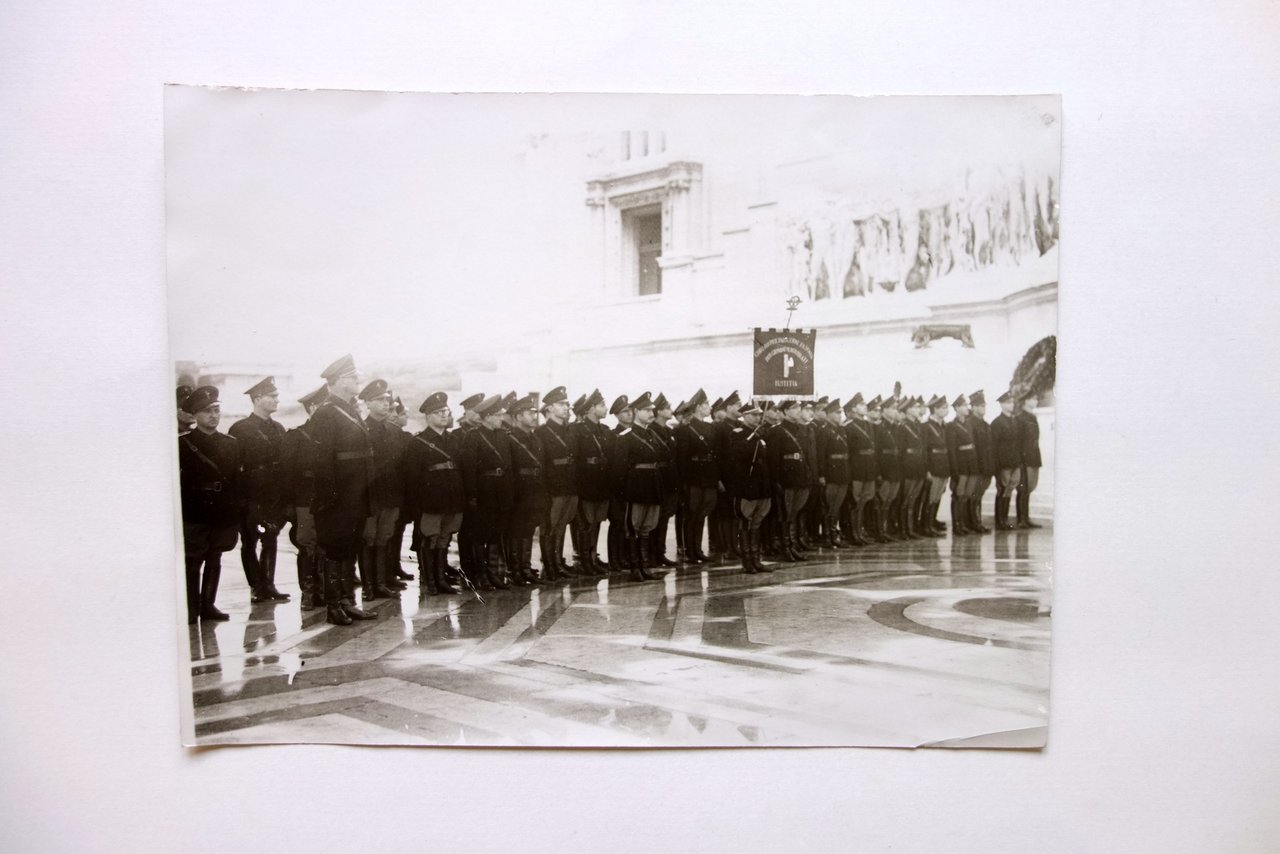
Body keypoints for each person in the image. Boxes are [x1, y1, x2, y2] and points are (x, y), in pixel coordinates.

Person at [310, 354, 378, 625]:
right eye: (353, 378)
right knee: (335, 551)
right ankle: (333, 605)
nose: (358, 381)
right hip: (339, 499)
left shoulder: (348, 409)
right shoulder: (326, 412)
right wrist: (331, 499)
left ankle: (348, 602)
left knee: (350, 549)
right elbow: (322, 461)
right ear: (337, 381)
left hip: (355, 495)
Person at [178, 386, 239, 624]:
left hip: (221, 510)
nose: (213, 415)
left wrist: (235, 514)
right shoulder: (183, 444)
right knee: (193, 560)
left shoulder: (231, 444)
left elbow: (235, 481)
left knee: (215, 558)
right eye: (206, 411)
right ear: (195, 415)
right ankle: (192, 608)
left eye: (216, 410)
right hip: (195, 511)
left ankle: (208, 605)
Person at [228, 376, 290, 603]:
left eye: (276, 396)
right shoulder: (240, 429)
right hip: (250, 494)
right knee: (250, 540)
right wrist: (240, 498)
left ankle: (269, 585)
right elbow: (233, 467)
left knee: (271, 537)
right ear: (257, 398)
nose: (277, 400)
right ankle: (256, 586)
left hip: (273, 495)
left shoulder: (279, 428)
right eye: (272, 397)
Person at [402, 392, 462, 597]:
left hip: (451, 499)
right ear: (428, 416)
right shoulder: (418, 442)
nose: (444, 416)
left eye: (446, 411)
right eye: (438, 412)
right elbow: (411, 478)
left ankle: (441, 579)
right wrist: (416, 506)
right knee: (430, 539)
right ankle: (429, 582)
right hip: (430, 501)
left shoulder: (452, 440)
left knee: (445, 539)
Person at [279, 384, 327, 609]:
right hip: (304, 499)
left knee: (327, 545)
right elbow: (286, 474)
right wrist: (288, 505)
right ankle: (309, 592)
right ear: (312, 407)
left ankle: (325, 591)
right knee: (308, 545)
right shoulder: (296, 436)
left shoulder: (334, 436)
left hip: (329, 498)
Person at [460, 395, 514, 590]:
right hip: (484, 493)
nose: (501, 418)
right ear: (488, 416)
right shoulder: (473, 436)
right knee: (479, 536)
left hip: (501, 492)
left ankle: (492, 574)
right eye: (498, 415)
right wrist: (472, 496)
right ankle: (480, 575)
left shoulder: (502, 435)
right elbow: (468, 469)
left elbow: (508, 466)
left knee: (495, 535)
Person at [358, 378, 405, 600]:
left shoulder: (394, 431)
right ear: (367, 403)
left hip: (390, 494)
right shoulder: (362, 429)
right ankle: (368, 586)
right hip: (370, 496)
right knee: (368, 539)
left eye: (387, 400)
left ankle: (380, 583)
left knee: (383, 538)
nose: (385, 404)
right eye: (379, 400)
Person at [610, 392, 664, 581]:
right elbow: (618, 469)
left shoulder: (652, 434)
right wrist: (624, 494)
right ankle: (635, 567)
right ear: (635, 412)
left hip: (652, 486)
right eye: (646, 410)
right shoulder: (626, 437)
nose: (651, 413)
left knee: (647, 527)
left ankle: (644, 565)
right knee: (633, 527)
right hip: (636, 488)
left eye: (652, 409)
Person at [535, 385, 579, 579]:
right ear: (550, 408)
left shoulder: (568, 431)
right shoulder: (541, 433)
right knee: (549, 527)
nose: (566, 408)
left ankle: (557, 563)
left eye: (567, 404)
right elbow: (542, 464)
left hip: (569, 484)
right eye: (561, 404)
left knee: (561, 526)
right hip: (553, 487)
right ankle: (549, 565)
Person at [675, 388, 720, 564]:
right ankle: (690, 550)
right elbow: (682, 459)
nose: (709, 407)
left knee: (702, 514)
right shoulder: (686, 430)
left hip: (708, 476)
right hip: (694, 477)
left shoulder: (710, 428)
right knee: (692, 514)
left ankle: (698, 549)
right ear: (698, 407)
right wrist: (684, 482)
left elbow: (715, 454)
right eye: (707, 404)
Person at [507, 394, 548, 585]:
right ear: (517, 416)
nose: (534, 416)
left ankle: (525, 567)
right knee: (516, 532)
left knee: (529, 530)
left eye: (535, 412)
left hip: (535, 490)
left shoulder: (537, 439)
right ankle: (515, 569)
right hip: (519, 492)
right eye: (529, 413)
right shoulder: (511, 439)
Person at [572, 389, 613, 575]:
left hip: (602, 482)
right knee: (586, 523)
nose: (605, 408)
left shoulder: (605, 430)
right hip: (587, 483)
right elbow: (576, 459)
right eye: (602, 405)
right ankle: (584, 560)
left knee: (596, 522)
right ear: (590, 408)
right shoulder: (578, 430)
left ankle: (593, 556)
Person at [728, 402, 772, 573]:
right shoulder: (737, 433)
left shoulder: (760, 436)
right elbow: (739, 452)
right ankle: (747, 560)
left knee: (757, 522)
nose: (758, 418)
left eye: (759, 415)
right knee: (746, 522)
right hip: (747, 485)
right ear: (745, 416)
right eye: (754, 415)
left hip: (761, 484)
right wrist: (753, 436)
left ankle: (756, 558)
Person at [768, 399, 811, 561]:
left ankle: (791, 545)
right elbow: (773, 459)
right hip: (786, 479)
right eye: (794, 408)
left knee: (794, 513)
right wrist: (776, 481)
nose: (798, 410)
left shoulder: (800, 429)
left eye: (799, 408)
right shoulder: (777, 431)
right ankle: (785, 547)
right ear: (785, 412)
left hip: (800, 477)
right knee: (785, 515)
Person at [386, 397, 416, 583]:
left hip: (401, 492)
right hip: (393, 492)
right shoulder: (396, 436)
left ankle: (394, 566)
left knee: (397, 532)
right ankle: (388, 570)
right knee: (389, 534)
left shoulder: (404, 436)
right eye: (400, 413)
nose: (403, 417)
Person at [816, 398, 852, 548]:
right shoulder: (824, 431)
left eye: (841, 413)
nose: (840, 416)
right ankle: (827, 536)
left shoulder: (841, 429)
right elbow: (821, 454)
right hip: (831, 473)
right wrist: (822, 474)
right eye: (837, 413)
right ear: (829, 414)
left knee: (837, 506)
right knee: (829, 506)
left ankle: (833, 534)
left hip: (842, 471)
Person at [648, 393, 679, 567]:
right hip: (658, 478)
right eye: (667, 408)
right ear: (659, 411)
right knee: (655, 519)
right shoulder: (651, 430)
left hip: (670, 479)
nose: (671, 410)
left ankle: (660, 552)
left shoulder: (669, 431)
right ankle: (652, 553)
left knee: (665, 517)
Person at [844, 393, 878, 546]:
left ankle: (859, 531)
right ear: (854, 408)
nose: (865, 407)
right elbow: (849, 452)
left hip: (868, 468)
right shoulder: (848, 427)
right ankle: (853, 534)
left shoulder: (869, 425)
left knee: (865, 500)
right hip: (857, 469)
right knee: (855, 502)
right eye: (861, 405)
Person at [606, 395, 634, 572]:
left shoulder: (634, 433)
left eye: (631, 411)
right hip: (618, 486)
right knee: (617, 523)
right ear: (617, 415)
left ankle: (624, 557)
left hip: (632, 485)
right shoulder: (613, 435)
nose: (629, 414)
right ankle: (614, 559)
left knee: (629, 523)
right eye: (625, 412)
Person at [946, 393, 980, 536]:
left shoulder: (969, 423)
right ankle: (957, 525)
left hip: (971, 464)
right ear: (957, 408)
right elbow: (952, 450)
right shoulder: (952, 426)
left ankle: (964, 523)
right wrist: (955, 470)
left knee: (967, 495)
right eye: (964, 405)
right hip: (961, 465)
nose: (967, 408)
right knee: (958, 495)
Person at [990, 390, 1023, 530]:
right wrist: (997, 466)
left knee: (1010, 489)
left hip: (1015, 462)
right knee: (1002, 490)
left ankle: (1004, 518)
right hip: (1003, 463)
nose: (1012, 405)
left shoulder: (1014, 421)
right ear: (1002, 405)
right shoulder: (997, 423)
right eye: (1008, 402)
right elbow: (994, 446)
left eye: (1012, 402)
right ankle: (999, 521)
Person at [897, 396, 928, 539]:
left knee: (914, 499)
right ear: (908, 410)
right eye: (915, 407)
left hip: (919, 466)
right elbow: (901, 450)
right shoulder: (902, 427)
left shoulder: (919, 426)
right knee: (906, 500)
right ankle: (903, 529)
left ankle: (910, 529)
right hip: (908, 466)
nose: (918, 410)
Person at [922, 395, 951, 537]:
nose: (946, 410)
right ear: (934, 409)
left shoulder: (944, 426)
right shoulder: (927, 426)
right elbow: (925, 449)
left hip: (943, 464)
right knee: (931, 497)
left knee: (938, 495)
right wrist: (927, 469)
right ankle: (926, 526)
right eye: (943, 408)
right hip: (933, 465)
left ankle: (932, 522)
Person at [1016, 392, 1044, 529]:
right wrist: (1021, 460)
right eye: (1033, 399)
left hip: (1033, 456)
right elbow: (1019, 441)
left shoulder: (1032, 417)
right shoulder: (1020, 418)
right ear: (1026, 401)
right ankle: (1021, 519)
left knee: (1029, 488)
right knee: (1023, 488)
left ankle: (1025, 518)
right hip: (1025, 458)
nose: (1036, 401)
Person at [968, 390, 994, 534]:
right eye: (980, 405)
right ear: (973, 407)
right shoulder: (971, 424)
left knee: (978, 496)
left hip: (986, 467)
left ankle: (976, 521)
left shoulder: (985, 424)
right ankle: (974, 522)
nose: (983, 408)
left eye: (984, 405)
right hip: (977, 468)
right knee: (974, 496)